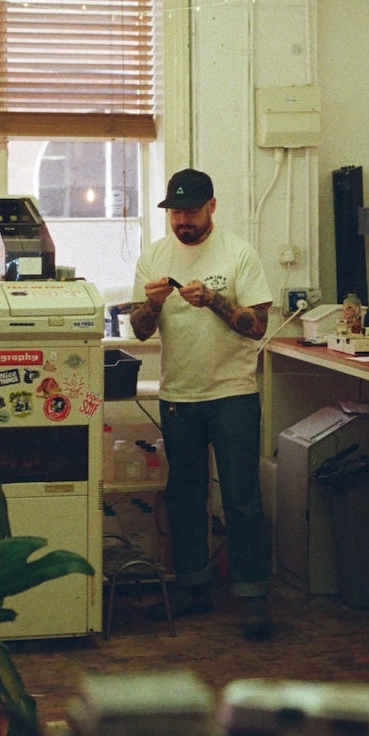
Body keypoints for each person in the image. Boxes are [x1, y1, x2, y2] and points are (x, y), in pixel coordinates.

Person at [127, 168, 275, 640]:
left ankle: (252, 596)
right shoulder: (154, 257)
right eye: (174, 212)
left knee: (242, 499)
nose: (182, 221)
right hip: (179, 396)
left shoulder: (238, 254)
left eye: (190, 211)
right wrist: (151, 305)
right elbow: (141, 330)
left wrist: (213, 299)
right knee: (185, 496)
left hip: (232, 393)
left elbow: (257, 326)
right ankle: (192, 587)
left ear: (212, 206)